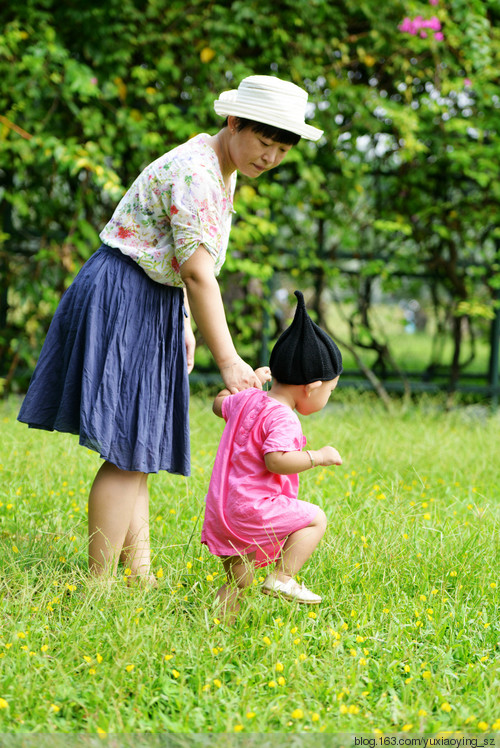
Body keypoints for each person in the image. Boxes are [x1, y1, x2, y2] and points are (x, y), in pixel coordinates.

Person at [17, 76, 324, 584]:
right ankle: (99, 586)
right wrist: (227, 360)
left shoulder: (221, 169)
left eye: (282, 149)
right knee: (126, 449)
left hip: (153, 295)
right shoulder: (197, 173)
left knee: (138, 447)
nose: (270, 157)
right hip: (124, 293)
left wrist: (181, 319)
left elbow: (178, 256)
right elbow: (199, 272)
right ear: (233, 122)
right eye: (263, 142)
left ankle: (140, 575)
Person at [201, 290, 343, 621]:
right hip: (253, 509)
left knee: (239, 580)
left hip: (224, 508)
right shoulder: (283, 417)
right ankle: (282, 578)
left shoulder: (249, 400)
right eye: (329, 391)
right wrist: (317, 456)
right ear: (310, 387)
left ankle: (219, 626)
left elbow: (218, 402)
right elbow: (276, 460)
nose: (327, 398)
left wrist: (250, 385)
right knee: (315, 518)